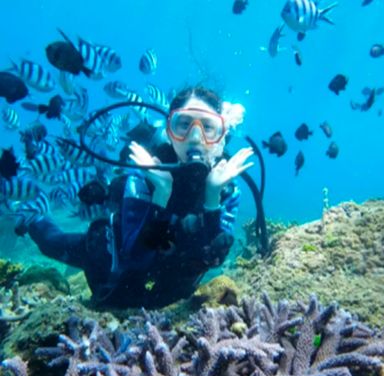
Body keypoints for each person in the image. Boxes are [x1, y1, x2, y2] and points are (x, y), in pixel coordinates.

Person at [18, 86, 254, 308]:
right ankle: (31, 216)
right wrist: (161, 194)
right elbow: (135, 258)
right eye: (183, 125)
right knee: (50, 242)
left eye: (208, 127)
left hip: (170, 280)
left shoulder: (225, 188)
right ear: (169, 131)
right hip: (111, 258)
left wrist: (212, 198)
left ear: (221, 136)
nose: (195, 137)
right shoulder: (146, 173)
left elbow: (212, 258)